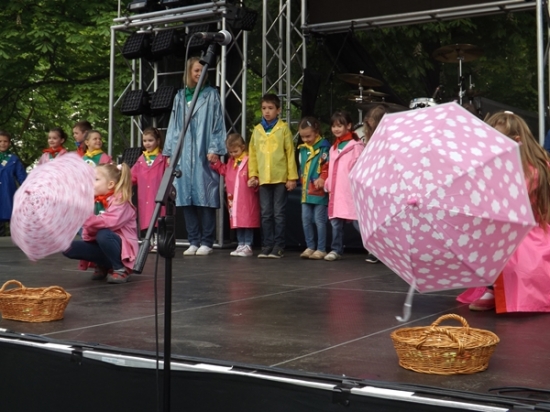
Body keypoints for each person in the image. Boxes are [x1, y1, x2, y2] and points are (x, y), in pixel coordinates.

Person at [457, 111, 550, 312]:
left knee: (494, 235)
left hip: (525, 235)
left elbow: (507, 207)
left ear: (515, 141)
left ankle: (495, 287)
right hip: (516, 231)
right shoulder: (503, 164)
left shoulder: (531, 169)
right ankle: (494, 285)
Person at [163, 56, 226, 256]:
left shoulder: (211, 95)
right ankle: (193, 240)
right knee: (185, 198)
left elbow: (217, 123)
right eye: (196, 70)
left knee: (205, 197)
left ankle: (207, 241)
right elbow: (173, 126)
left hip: (202, 151)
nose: (199, 73)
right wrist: (170, 152)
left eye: (202, 70)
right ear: (189, 72)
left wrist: (214, 148)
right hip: (183, 153)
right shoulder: (180, 96)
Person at [63, 163, 138, 284]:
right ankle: (104, 264)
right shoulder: (93, 202)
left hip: (121, 248)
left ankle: (120, 268)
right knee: (67, 247)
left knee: (103, 234)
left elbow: (109, 222)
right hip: (101, 242)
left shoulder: (121, 201)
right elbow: (88, 231)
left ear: (110, 184)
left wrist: (85, 218)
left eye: (96, 179)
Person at [248, 93, 298, 259]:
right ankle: (267, 245)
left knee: (278, 213)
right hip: (263, 178)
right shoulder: (257, 130)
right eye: (264, 108)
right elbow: (253, 154)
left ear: (278, 110)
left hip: (280, 177)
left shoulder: (283, 129)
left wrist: (291, 177)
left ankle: (279, 246)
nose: (267, 112)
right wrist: (253, 175)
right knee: (266, 213)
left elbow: (290, 153)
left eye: (270, 108)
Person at [324, 110, 365, 261]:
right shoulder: (333, 148)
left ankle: (375, 249)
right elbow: (331, 169)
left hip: (351, 191)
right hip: (337, 192)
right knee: (336, 223)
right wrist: (328, 183)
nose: (336, 129)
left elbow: (360, 168)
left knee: (358, 222)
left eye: (339, 125)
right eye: (333, 126)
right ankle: (336, 249)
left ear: (348, 126)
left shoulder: (356, 146)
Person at [210, 133, 260, 257]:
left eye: (235, 151)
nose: (233, 154)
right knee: (237, 220)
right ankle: (240, 243)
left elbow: (255, 174)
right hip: (235, 197)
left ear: (243, 147)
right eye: (230, 152)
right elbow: (225, 171)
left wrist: (255, 181)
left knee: (247, 221)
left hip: (246, 197)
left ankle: (248, 244)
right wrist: (216, 163)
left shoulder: (249, 160)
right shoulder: (231, 162)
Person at [297, 117, 330, 260]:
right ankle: (310, 246)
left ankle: (321, 248)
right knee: (306, 219)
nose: (305, 139)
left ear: (316, 132)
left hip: (319, 191)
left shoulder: (324, 147)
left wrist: (323, 178)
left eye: (308, 136)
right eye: (302, 137)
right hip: (306, 191)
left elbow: (327, 165)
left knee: (319, 220)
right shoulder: (302, 149)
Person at [131, 127, 167, 251]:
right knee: (146, 219)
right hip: (144, 195)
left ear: (158, 141)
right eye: (145, 141)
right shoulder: (141, 160)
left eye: (150, 140)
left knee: (157, 217)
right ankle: (149, 241)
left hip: (157, 194)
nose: (147, 143)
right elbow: (132, 176)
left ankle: (158, 241)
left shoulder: (163, 158)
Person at [0, 130, 27, 235]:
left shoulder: (14, 159)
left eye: (5, 141)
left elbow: (21, 177)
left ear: (9, 143)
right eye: (0, 141)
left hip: (8, 193)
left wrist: (29, 188)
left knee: (13, 222)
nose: (3, 143)